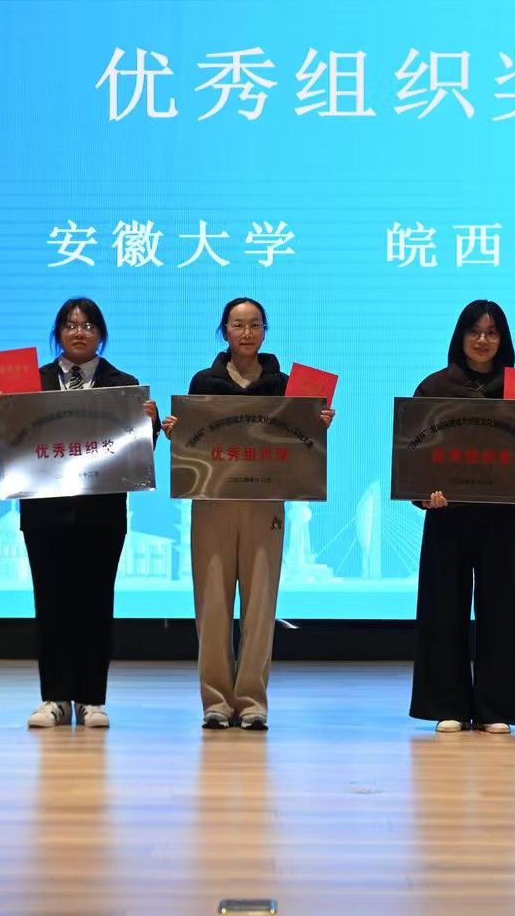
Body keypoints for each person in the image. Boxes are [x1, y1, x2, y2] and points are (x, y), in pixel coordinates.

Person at [0, 297, 161, 730]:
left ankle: (91, 700)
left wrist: (151, 424)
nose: (78, 332)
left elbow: (138, 451)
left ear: (101, 334)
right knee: (51, 604)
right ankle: (55, 698)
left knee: (96, 604)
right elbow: (6, 440)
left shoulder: (123, 384)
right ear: (58, 334)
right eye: (69, 325)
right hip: (45, 514)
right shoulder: (31, 381)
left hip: (102, 514)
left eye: (87, 325)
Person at [160, 298, 334, 732]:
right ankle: (216, 702)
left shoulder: (286, 385)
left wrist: (318, 424)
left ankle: (253, 701)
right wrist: (175, 432)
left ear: (264, 330)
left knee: (260, 605)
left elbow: (300, 445)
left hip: (265, 503)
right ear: (224, 331)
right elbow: (195, 443)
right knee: (212, 604)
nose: (246, 333)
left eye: (255, 324)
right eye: (238, 325)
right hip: (213, 502)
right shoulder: (204, 381)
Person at [408, 299, 515, 734]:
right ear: (460, 336)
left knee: (503, 608)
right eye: (474, 331)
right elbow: (412, 451)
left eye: (492, 332)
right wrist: (424, 497)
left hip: (499, 515)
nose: (483, 340)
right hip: (447, 514)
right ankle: (447, 704)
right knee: (443, 607)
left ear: (503, 339)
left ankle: (496, 707)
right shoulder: (435, 386)